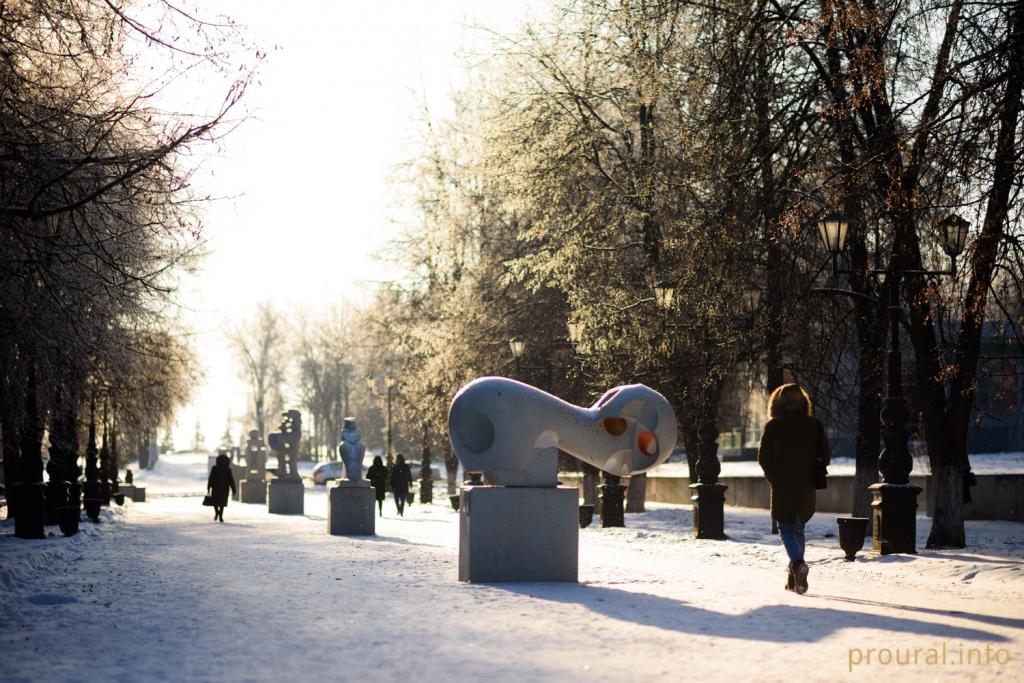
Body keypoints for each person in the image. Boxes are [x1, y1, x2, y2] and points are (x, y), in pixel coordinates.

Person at [757, 383, 830, 595]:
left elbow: (763, 458)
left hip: (782, 483)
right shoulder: (814, 425)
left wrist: (774, 477)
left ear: (777, 403)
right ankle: (795, 578)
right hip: (806, 483)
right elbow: (825, 456)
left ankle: (798, 564)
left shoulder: (774, 426)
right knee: (798, 528)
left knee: (785, 528)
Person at [207, 452, 236, 523]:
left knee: (215, 502)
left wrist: (209, 487)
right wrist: (233, 489)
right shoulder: (227, 469)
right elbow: (231, 480)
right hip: (224, 489)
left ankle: (217, 512)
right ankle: (220, 515)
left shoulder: (215, 468)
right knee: (222, 503)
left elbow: (211, 478)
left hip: (215, 488)